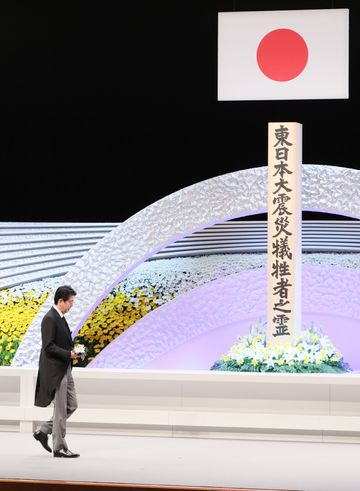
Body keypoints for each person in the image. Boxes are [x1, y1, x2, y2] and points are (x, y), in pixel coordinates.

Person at [33, 285, 80, 458]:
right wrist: (68, 353)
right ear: (60, 301)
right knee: (60, 410)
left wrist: (74, 353)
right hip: (55, 370)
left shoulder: (59, 317)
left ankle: (43, 430)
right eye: (70, 302)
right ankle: (59, 447)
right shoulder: (50, 318)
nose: (71, 306)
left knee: (71, 405)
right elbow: (48, 346)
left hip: (65, 367)